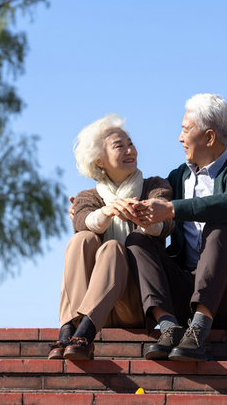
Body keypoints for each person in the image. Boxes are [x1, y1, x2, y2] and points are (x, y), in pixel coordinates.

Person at [125, 93, 227, 362]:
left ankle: (200, 329)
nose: (180, 138)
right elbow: (142, 193)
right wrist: (94, 206)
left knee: (219, 225)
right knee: (138, 240)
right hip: (187, 293)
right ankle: (170, 328)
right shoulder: (178, 177)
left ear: (209, 137)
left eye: (186, 130)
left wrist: (174, 209)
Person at [50, 113, 174, 361]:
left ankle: (84, 335)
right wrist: (107, 211)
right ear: (100, 160)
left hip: (136, 303)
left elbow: (166, 227)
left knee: (112, 249)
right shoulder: (88, 197)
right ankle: (68, 328)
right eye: (120, 146)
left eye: (131, 143)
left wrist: (145, 218)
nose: (130, 150)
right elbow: (82, 221)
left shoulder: (155, 187)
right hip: (95, 305)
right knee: (81, 240)